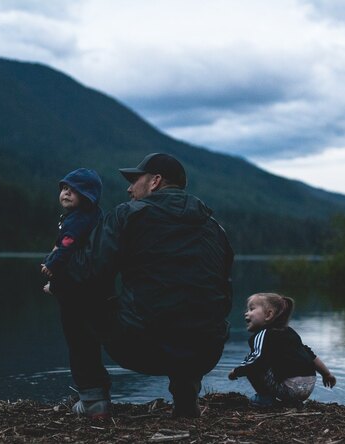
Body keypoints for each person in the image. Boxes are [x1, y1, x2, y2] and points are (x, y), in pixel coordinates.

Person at [54, 153, 234, 419]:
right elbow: (225, 294)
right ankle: (186, 399)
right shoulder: (214, 227)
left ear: (155, 182)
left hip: (143, 346)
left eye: (134, 180)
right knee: (194, 308)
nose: (129, 188)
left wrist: (57, 277)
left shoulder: (127, 215)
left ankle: (93, 399)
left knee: (72, 292)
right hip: (206, 350)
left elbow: (86, 273)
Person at [228, 293, 336, 407]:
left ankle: (264, 398)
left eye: (251, 309)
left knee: (253, 361)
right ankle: (292, 402)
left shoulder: (263, 334)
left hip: (289, 388)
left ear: (269, 314)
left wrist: (236, 371)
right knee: (266, 360)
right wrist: (327, 374)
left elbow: (256, 361)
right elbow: (310, 355)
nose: (246, 313)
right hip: (308, 388)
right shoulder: (290, 332)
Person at [40, 168, 103, 296]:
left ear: (86, 196)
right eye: (64, 188)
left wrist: (52, 264)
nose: (67, 193)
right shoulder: (90, 214)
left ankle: (54, 287)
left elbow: (67, 246)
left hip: (78, 270)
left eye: (74, 190)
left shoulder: (78, 220)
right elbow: (62, 242)